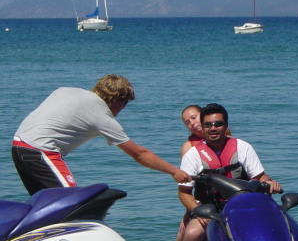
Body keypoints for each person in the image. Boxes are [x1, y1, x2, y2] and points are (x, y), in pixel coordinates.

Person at [11, 74, 191, 196]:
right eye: (125, 103)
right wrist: (174, 171)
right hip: (40, 151)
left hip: (18, 145)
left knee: (45, 204)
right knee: (71, 202)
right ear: (115, 100)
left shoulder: (66, 90)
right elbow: (140, 154)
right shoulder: (101, 114)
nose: (123, 108)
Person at [176, 103, 282, 241]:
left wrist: (271, 183)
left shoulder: (242, 147)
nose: (213, 128)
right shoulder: (192, 155)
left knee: (277, 224)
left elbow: (260, 177)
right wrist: (198, 211)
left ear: (225, 125)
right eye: (208, 125)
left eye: (218, 124)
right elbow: (184, 192)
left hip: (243, 206)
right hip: (210, 210)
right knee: (191, 234)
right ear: (203, 128)